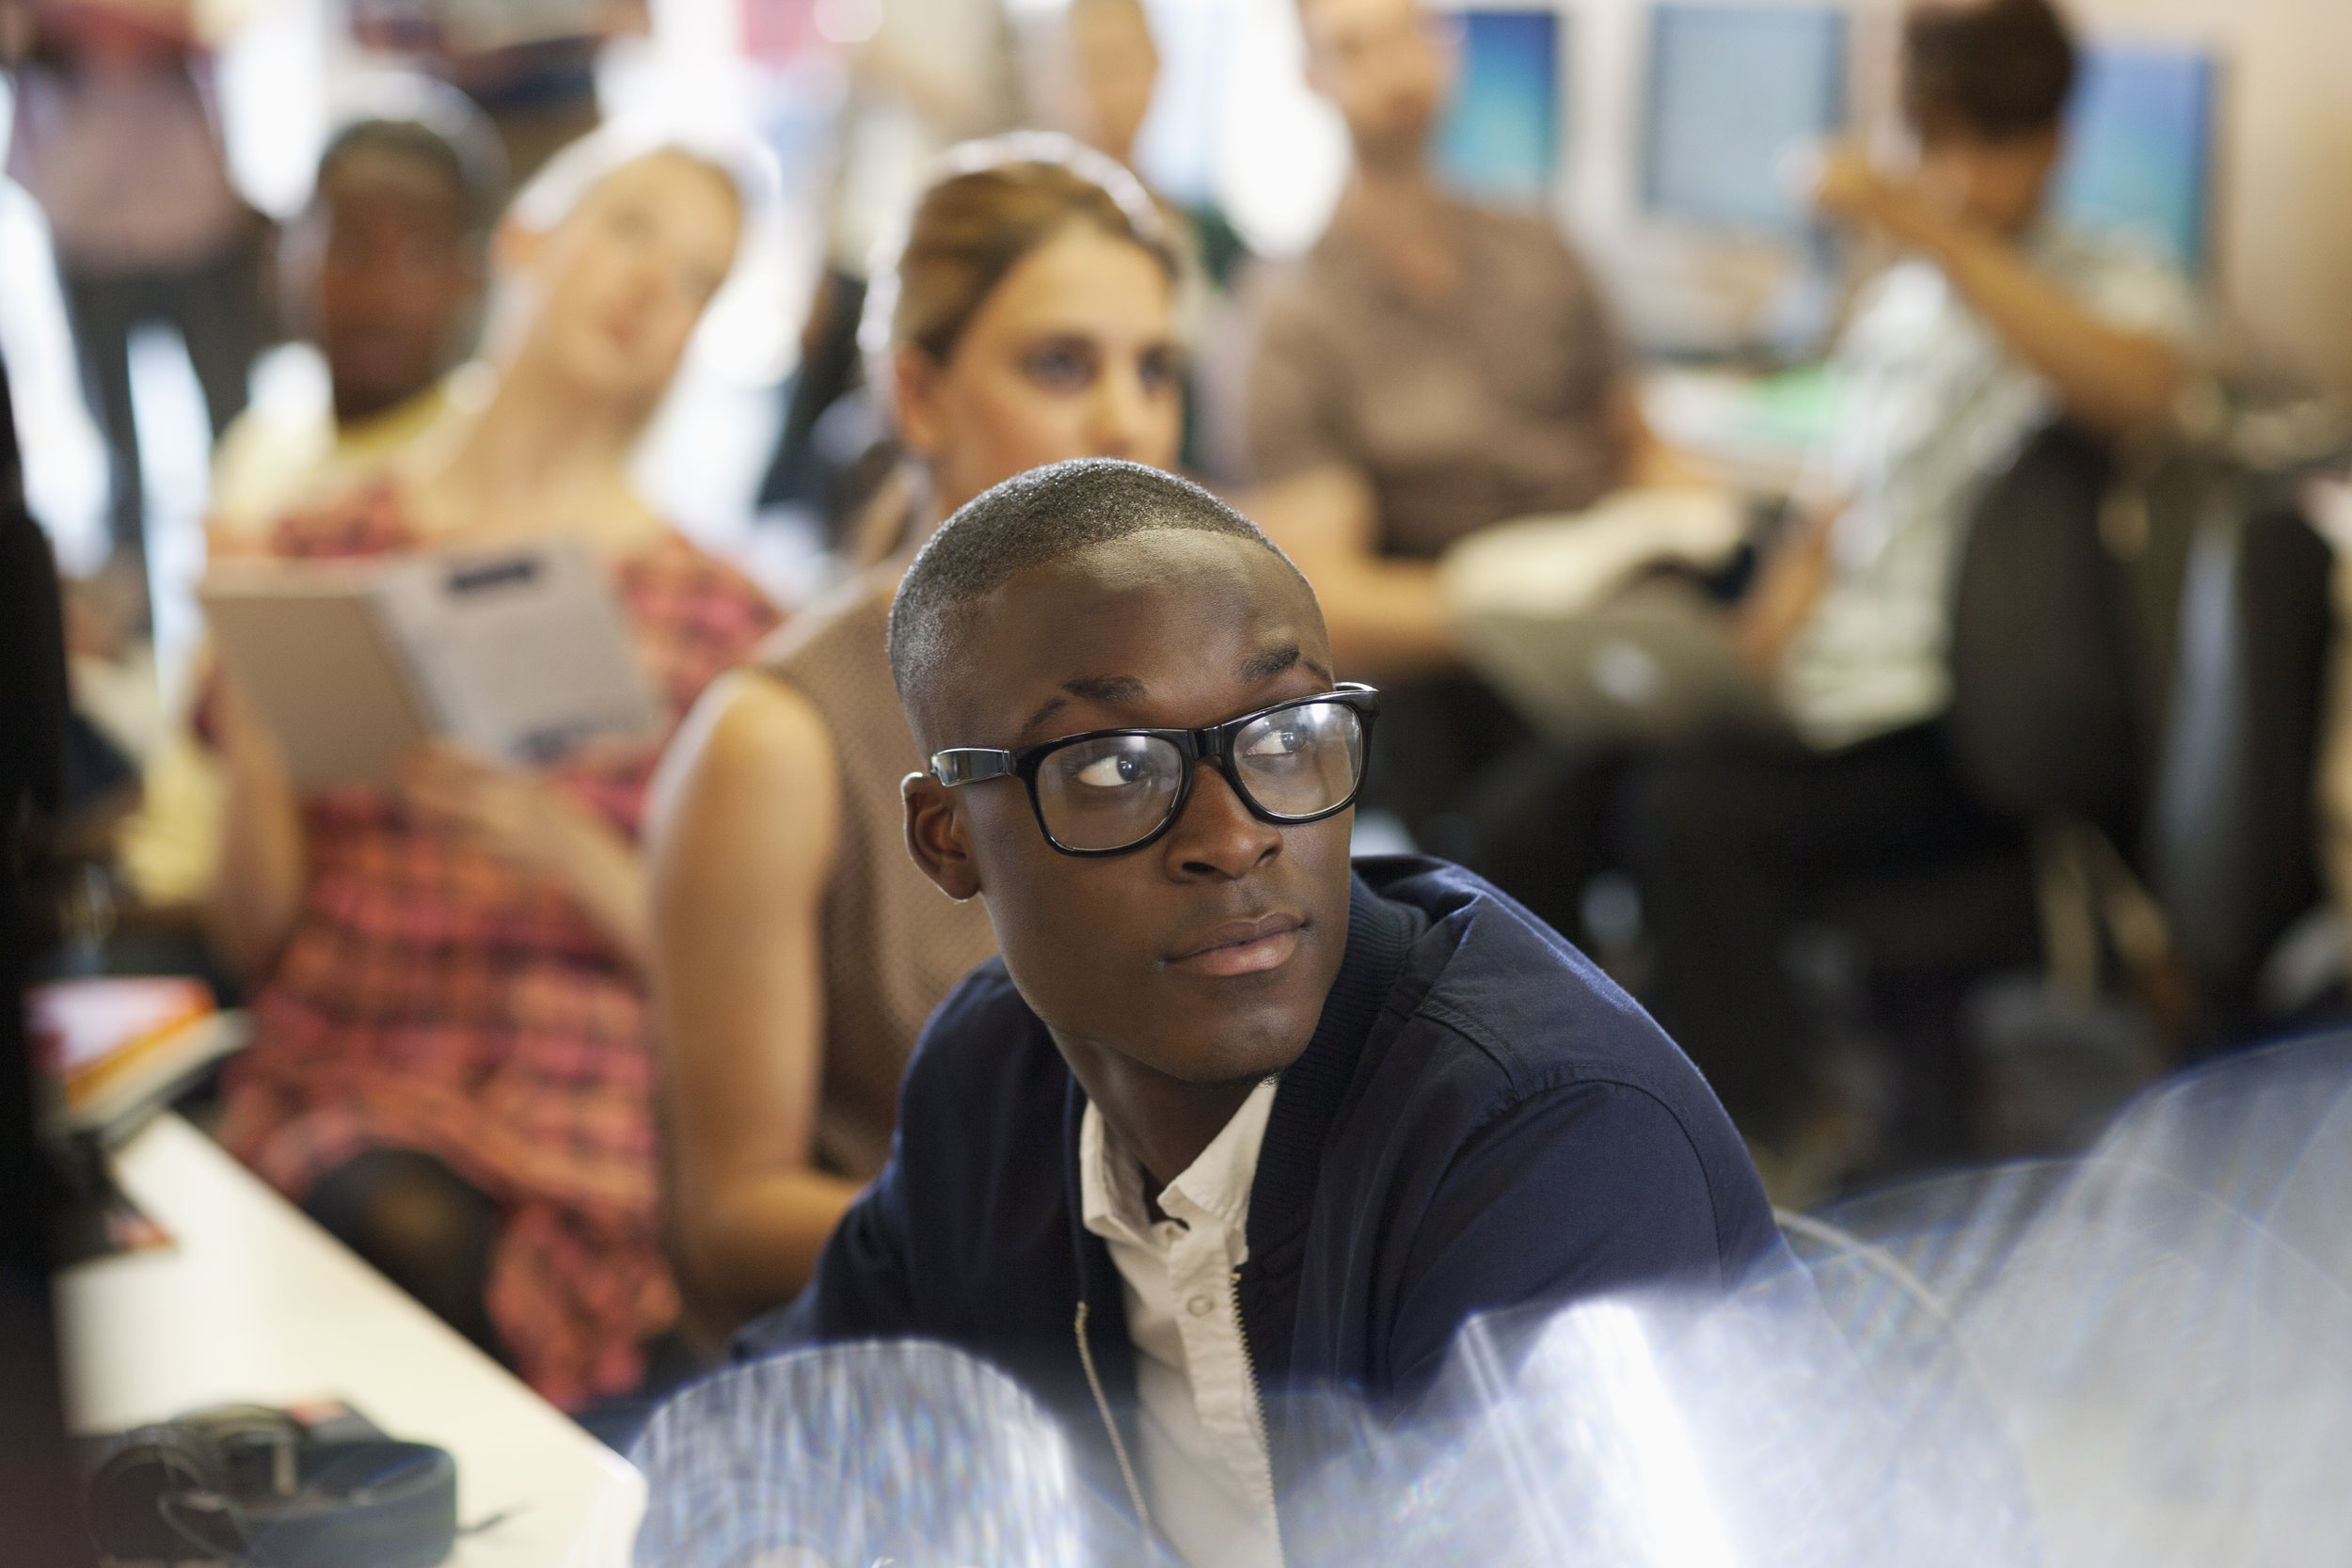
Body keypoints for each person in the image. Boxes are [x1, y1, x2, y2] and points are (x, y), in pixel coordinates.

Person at [736, 458, 1782, 1568]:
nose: (1233, 837)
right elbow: (788, 1435)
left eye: (1285, 738)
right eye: (1112, 766)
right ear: (948, 838)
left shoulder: (1544, 1139)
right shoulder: (994, 1070)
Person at [202, 131, 779, 1409]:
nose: (651, 286)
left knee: (420, 1235)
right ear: (529, 240)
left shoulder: (720, 616)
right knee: (385, 1210)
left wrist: (571, 851)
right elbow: (250, 928)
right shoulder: (322, 546)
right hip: (349, 1065)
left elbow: (733, 986)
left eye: (697, 278)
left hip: (573, 1108)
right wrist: (256, 705)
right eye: (631, 229)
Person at [1628, 0, 2199, 1168]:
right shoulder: (1897, 307)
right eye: (1933, 145)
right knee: (1611, 776)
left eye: (1988, 147)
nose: (1956, 180)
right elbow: (1838, 501)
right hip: (1837, 687)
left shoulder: (2108, 282)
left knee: (1692, 817)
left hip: (1958, 716)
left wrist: (1934, 235)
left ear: (2051, 144)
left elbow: (2140, 391)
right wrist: (1763, 627)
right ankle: (1670, 1109)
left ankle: (1759, 1135)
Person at [647, 135, 1184, 1340]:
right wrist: (1074, 1245)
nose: (1126, 417)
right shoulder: (778, 738)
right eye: (1061, 363)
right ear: (919, 393)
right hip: (911, 1366)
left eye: (1155, 367)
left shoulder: (1193, 687)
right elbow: (728, 1220)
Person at [1240, 0, 1691, 849]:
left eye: (1414, 32)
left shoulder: (1542, 247)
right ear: (1314, 77)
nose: (1396, 68)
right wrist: (1531, 614)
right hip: (1463, 670)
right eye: (1355, 47)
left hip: (1624, 606)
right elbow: (1331, 594)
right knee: (1581, 808)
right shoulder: (1295, 319)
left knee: (1723, 767)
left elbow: (1645, 450)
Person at [7, 0, 262, 592]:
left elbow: (225, 23)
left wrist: (125, 27)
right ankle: (135, 606)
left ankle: (250, 580)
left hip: (191, 214)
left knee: (236, 430)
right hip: (86, 220)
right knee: (115, 446)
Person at [209, 95, 502, 546]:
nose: (380, 291)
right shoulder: (255, 447)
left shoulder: (495, 449)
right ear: (286, 262)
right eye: (349, 249)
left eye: (419, 257)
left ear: (471, 277)